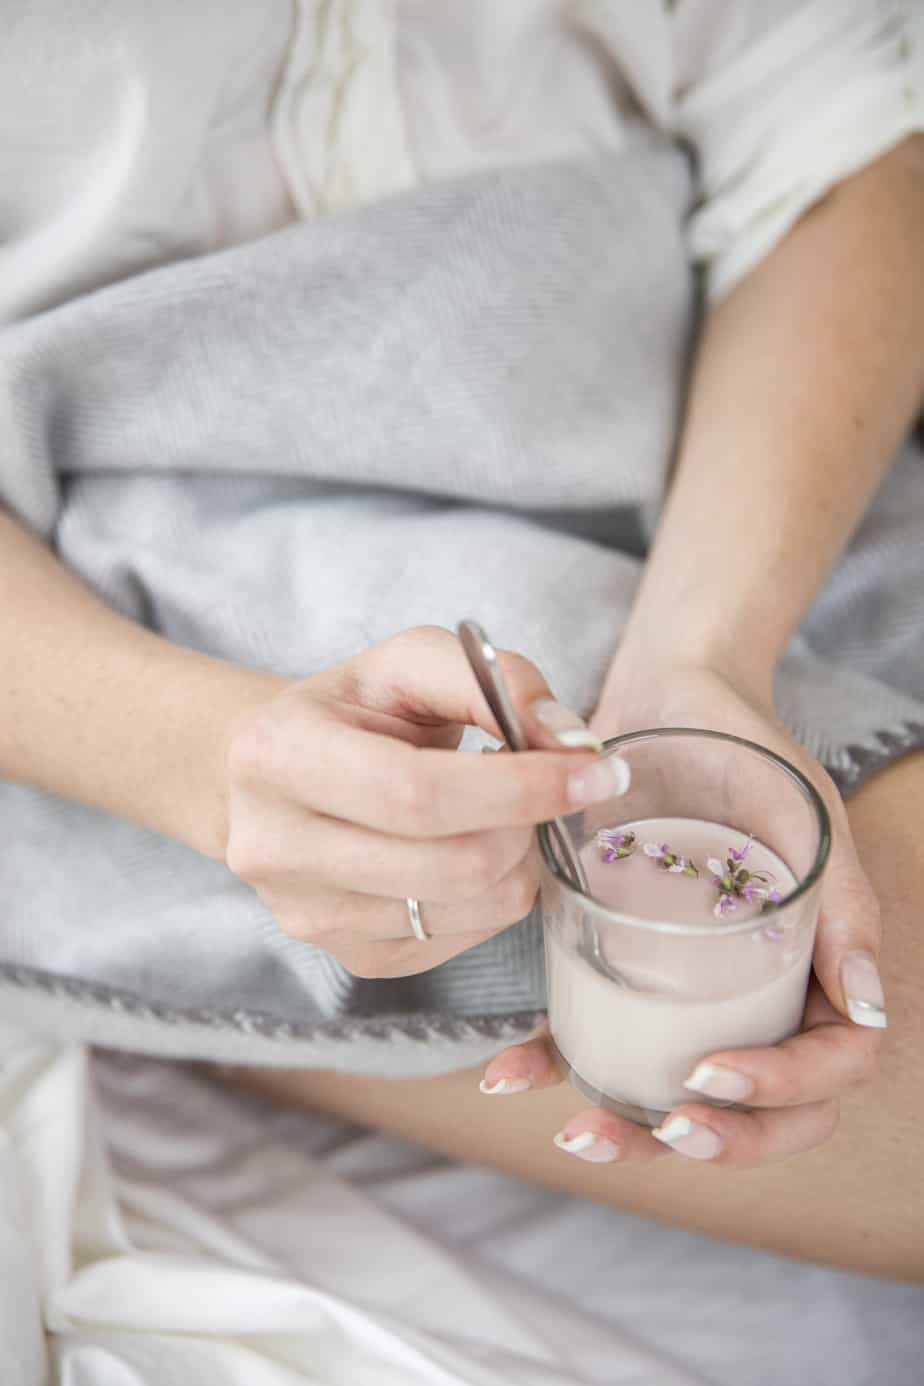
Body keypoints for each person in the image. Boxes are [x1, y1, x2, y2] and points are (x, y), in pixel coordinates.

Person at [1, 1, 923, 1280]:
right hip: (113, 583)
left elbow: (837, 135)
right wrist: (198, 759)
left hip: (730, 454)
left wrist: (701, 657)